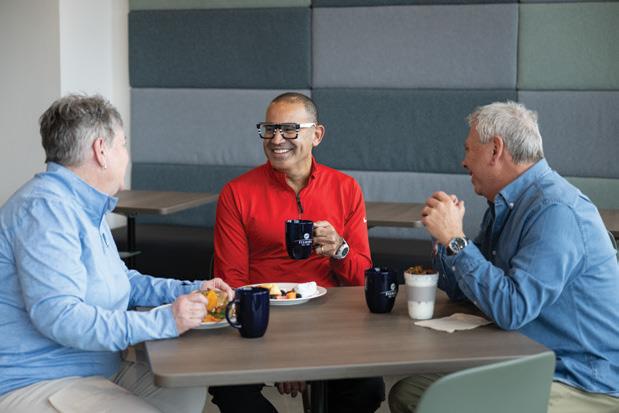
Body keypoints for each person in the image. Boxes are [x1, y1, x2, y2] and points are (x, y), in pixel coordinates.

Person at [0, 94, 234, 413]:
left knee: (186, 382)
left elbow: (122, 282)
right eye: (122, 144)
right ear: (101, 150)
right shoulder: (46, 210)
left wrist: (191, 291)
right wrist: (165, 320)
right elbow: (60, 317)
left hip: (95, 370)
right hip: (40, 379)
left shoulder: (83, 204)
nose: (127, 154)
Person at [389, 101, 619, 412]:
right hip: (526, 361)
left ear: (495, 150)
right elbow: (464, 291)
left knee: (433, 403)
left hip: (579, 379)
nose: (463, 161)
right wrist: (444, 239)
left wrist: (456, 240)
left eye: (469, 149)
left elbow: (513, 309)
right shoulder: (506, 205)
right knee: (411, 393)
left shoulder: (555, 210)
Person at [211, 92, 384, 412]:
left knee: (367, 389)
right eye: (270, 129)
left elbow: (363, 279)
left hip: (331, 320)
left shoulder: (345, 188)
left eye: (290, 129)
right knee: (230, 391)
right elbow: (230, 281)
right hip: (262, 317)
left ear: (316, 135)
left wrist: (340, 250)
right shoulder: (237, 193)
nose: (277, 140)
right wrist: (282, 353)